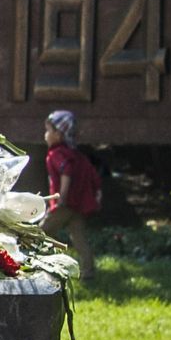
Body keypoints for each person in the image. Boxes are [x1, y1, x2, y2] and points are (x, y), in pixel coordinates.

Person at [44, 110, 100, 278]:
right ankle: (88, 272)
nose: (45, 135)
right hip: (78, 205)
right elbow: (93, 176)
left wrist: (61, 197)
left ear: (59, 134)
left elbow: (66, 172)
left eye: (48, 131)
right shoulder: (76, 155)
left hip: (64, 204)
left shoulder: (57, 154)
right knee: (79, 238)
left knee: (40, 233)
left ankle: (43, 266)